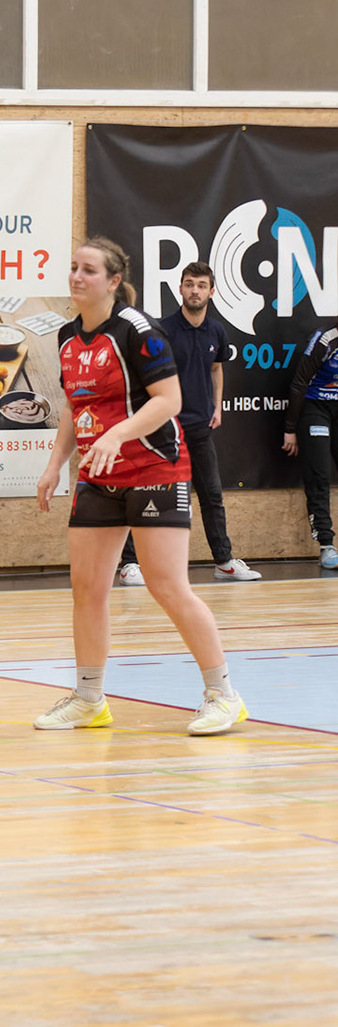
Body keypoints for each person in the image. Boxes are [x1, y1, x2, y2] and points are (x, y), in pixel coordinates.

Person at [33, 238, 246, 736]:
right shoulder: (66, 336)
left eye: (89, 270)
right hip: (98, 474)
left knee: (166, 585)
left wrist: (116, 435)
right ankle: (89, 698)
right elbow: (73, 407)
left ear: (113, 280)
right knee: (87, 589)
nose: (77, 276)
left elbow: (168, 400)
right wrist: (54, 464)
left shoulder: (138, 330)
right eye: (73, 267)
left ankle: (224, 695)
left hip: (154, 468)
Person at [114, 262, 259, 585]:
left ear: (211, 292)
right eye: (190, 284)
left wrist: (217, 407)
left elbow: (216, 368)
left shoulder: (216, 331)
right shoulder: (162, 330)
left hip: (200, 428)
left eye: (201, 285)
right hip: (164, 429)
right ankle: (130, 564)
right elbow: (145, 377)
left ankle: (224, 562)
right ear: (180, 289)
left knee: (212, 496)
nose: (195, 290)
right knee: (145, 494)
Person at [283, 322, 338, 570]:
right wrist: (290, 429)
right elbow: (300, 382)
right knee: (319, 476)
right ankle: (326, 546)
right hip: (316, 408)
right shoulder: (326, 338)